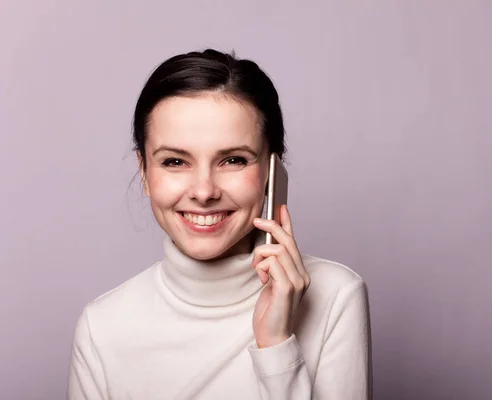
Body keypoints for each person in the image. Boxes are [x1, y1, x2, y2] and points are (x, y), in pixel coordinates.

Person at [67, 49, 372, 400]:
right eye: (175, 161)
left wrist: (276, 346)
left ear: (274, 171)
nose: (203, 191)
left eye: (232, 160)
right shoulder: (102, 328)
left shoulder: (336, 297)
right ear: (144, 172)